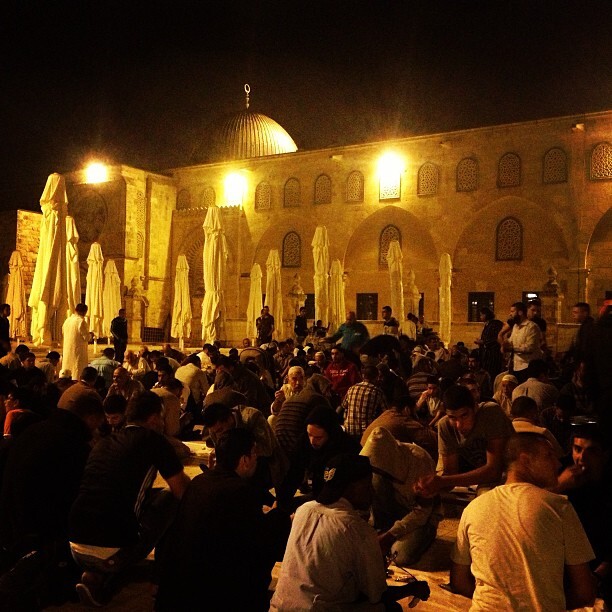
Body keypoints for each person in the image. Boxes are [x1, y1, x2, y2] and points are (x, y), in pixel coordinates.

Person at [68, 392, 191, 607]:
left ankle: (92, 577)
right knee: (172, 501)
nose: (163, 423)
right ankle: (160, 581)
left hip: (75, 545)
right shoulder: (154, 440)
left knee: (129, 503)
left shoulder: (104, 443)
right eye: (162, 418)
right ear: (153, 419)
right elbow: (181, 490)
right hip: (113, 551)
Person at [450, 432, 596, 611]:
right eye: (549, 456)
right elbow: (584, 592)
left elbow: (458, 582)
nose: (557, 464)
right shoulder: (559, 506)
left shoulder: (473, 508)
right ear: (525, 460)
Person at [271, 453, 429, 611]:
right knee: (390, 608)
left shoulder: (303, 510)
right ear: (355, 486)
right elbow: (378, 595)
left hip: (278, 607)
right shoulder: (356, 528)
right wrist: (413, 588)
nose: (372, 491)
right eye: (368, 485)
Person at [156, 428, 290, 612]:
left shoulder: (199, 482)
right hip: (213, 595)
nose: (257, 460)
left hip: (177, 589)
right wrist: (278, 516)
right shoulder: (239, 492)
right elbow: (263, 544)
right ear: (244, 460)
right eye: (254, 455)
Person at [361, 427, 441, 565]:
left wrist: (389, 536)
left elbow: (422, 513)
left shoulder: (419, 461)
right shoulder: (376, 464)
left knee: (400, 556)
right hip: (393, 514)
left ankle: (424, 535)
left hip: (421, 519)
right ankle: (384, 530)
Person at [415, 384, 513, 497]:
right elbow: (451, 473)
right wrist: (428, 486)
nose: (459, 425)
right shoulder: (445, 426)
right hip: (485, 479)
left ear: (475, 408)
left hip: (512, 472)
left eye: (464, 416)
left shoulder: (490, 412)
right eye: (452, 418)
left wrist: (442, 481)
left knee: (485, 495)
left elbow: (494, 471)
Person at [554, 424, 612, 607]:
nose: (581, 458)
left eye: (591, 451)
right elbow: (526, 500)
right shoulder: (561, 471)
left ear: (605, 455)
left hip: (601, 566)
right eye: (577, 449)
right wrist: (559, 486)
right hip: (564, 564)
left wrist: (597, 575)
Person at [361, 395, 438, 461]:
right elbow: (432, 438)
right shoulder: (402, 419)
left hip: (365, 457)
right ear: (407, 409)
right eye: (414, 412)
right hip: (378, 462)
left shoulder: (386, 414)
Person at [340, 365, 388, 440]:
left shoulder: (352, 388)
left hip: (348, 430)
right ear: (376, 377)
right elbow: (385, 412)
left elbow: (344, 405)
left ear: (363, 376)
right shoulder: (377, 392)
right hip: (365, 432)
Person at [501, 301, 542, 383]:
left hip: (527, 366)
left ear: (520, 312)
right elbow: (511, 341)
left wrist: (511, 349)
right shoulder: (515, 326)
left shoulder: (531, 327)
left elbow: (530, 348)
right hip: (516, 366)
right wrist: (505, 342)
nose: (510, 314)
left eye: (512, 311)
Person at [62, 303, 91, 381]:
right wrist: (91, 335)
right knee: (77, 369)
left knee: (67, 367)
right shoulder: (81, 322)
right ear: (84, 312)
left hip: (67, 349)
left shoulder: (67, 320)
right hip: (78, 350)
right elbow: (86, 337)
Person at [474, 306, 503, 379]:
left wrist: (483, 342)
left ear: (485, 315)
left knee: (493, 374)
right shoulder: (487, 325)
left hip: (493, 355)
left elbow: (495, 338)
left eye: (481, 315)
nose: (480, 317)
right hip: (487, 356)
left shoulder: (495, 324)